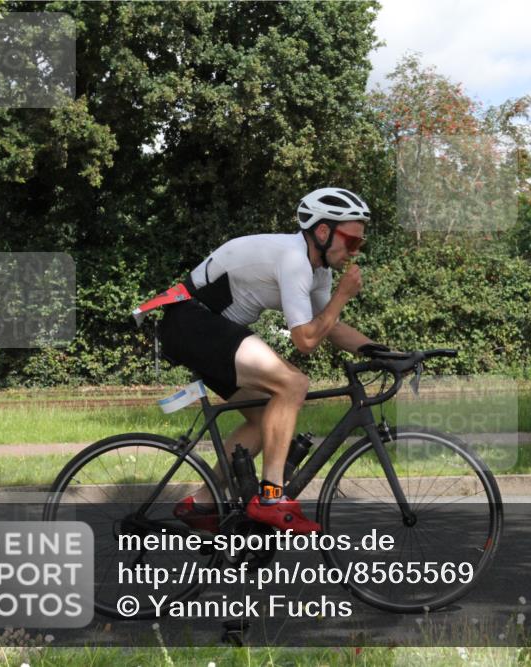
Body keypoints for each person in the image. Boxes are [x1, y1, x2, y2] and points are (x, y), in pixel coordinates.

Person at [154, 187, 381, 534]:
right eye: (351, 241)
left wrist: (384, 353)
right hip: (191, 320)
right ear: (323, 231)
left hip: (207, 328)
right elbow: (306, 340)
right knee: (292, 383)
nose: (355, 251)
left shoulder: (318, 270)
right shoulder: (293, 258)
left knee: (264, 420)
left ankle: (203, 502)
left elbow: (330, 327)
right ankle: (271, 497)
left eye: (359, 244)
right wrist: (341, 298)